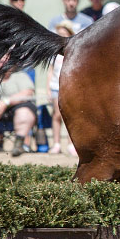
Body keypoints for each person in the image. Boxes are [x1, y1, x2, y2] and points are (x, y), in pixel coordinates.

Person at [0, 68, 37, 157]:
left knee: (25, 112)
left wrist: (6, 103)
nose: (3, 60)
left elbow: (28, 92)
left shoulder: (20, 75)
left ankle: (19, 145)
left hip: (16, 109)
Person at [47, 21, 75, 154]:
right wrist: (48, 88)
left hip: (69, 87)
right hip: (55, 87)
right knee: (57, 115)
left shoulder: (73, 50)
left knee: (70, 116)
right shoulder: (54, 52)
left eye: (64, 34)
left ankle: (71, 144)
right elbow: (51, 70)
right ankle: (56, 143)